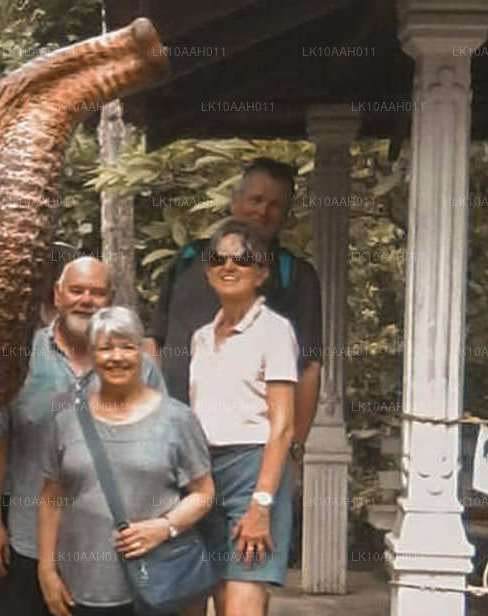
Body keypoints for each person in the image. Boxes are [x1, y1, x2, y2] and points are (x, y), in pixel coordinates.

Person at [0, 258, 166, 616]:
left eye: (97, 293)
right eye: (77, 290)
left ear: (110, 300)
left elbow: (162, 451)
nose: (86, 300)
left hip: (111, 553)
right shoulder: (18, 360)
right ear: (57, 295)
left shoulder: (138, 365)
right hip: (28, 540)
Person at [37, 306, 214, 616]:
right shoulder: (66, 419)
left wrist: (164, 527)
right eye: (105, 348)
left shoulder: (177, 419)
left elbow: (203, 493)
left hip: (158, 586)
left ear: (141, 352)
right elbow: (51, 498)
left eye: (127, 347)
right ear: (92, 355)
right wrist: (47, 570)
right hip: (81, 588)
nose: (116, 357)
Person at [146, 158, 322, 466]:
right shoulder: (189, 259)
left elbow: (309, 368)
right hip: (175, 439)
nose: (263, 211)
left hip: (253, 452)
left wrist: (295, 449)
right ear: (235, 202)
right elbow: (153, 341)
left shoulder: (294, 275)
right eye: (256, 200)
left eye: (275, 205)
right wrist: (154, 414)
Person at [189, 219, 298, 616]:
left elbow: (283, 427)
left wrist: (261, 504)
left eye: (242, 259)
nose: (228, 266)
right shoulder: (201, 337)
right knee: (214, 596)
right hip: (204, 475)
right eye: (219, 259)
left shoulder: (275, 331)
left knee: (243, 599)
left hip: (253, 472)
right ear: (208, 270)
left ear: (261, 272)